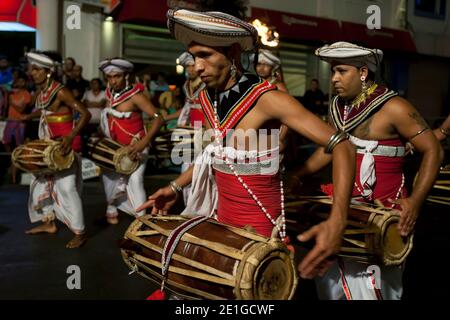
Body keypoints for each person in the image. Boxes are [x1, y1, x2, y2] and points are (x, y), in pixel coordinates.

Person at [137, 9, 356, 280]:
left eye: (205, 55)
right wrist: (174, 187)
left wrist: (337, 220)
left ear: (232, 53)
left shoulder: (269, 100)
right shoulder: (208, 99)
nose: (197, 67)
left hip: (262, 231)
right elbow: (212, 153)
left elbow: (343, 146)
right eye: (194, 57)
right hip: (220, 222)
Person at [290, 41, 442, 299]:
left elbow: (434, 151)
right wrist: (297, 175)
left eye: (341, 71)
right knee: (331, 284)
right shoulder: (339, 107)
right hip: (343, 205)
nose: (334, 78)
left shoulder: (395, 107)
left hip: (381, 212)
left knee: (374, 290)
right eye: (333, 71)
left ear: (363, 73)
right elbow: (329, 149)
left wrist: (415, 202)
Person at [22, 51, 91, 248]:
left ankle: (80, 232)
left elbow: (84, 114)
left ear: (48, 72)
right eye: (31, 69)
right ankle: (48, 223)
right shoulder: (41, 92)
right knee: (39, 185)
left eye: (36, 70)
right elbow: (45, 112)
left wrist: (70, 136)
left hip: (64, 146)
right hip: (49, 145)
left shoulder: (60, 91)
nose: (32, 73)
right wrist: (30, 117)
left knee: (67, 188)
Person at [98, 58, 164, 225]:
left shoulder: (136, 96)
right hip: (116, 147)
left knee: (135, 181)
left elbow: (158, 118)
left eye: (117, 76)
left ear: (126, 75)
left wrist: (144, 142)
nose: (113, 81)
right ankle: (112, 206)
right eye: (110, 77)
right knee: (110, 178)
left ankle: (141, 220)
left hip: (136, 146)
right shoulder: (109, 94)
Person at [3, 72, 32, 184]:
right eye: (18, 81)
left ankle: (14, 174)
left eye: (22, 81)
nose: (20, 83)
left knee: (19, 146)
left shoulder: (26, 94)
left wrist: (12, 102)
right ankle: (12, 163)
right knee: (6, 142)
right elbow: (6, 108)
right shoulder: (11, 93)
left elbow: (21, 110)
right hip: (10, 121)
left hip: (20, 123)